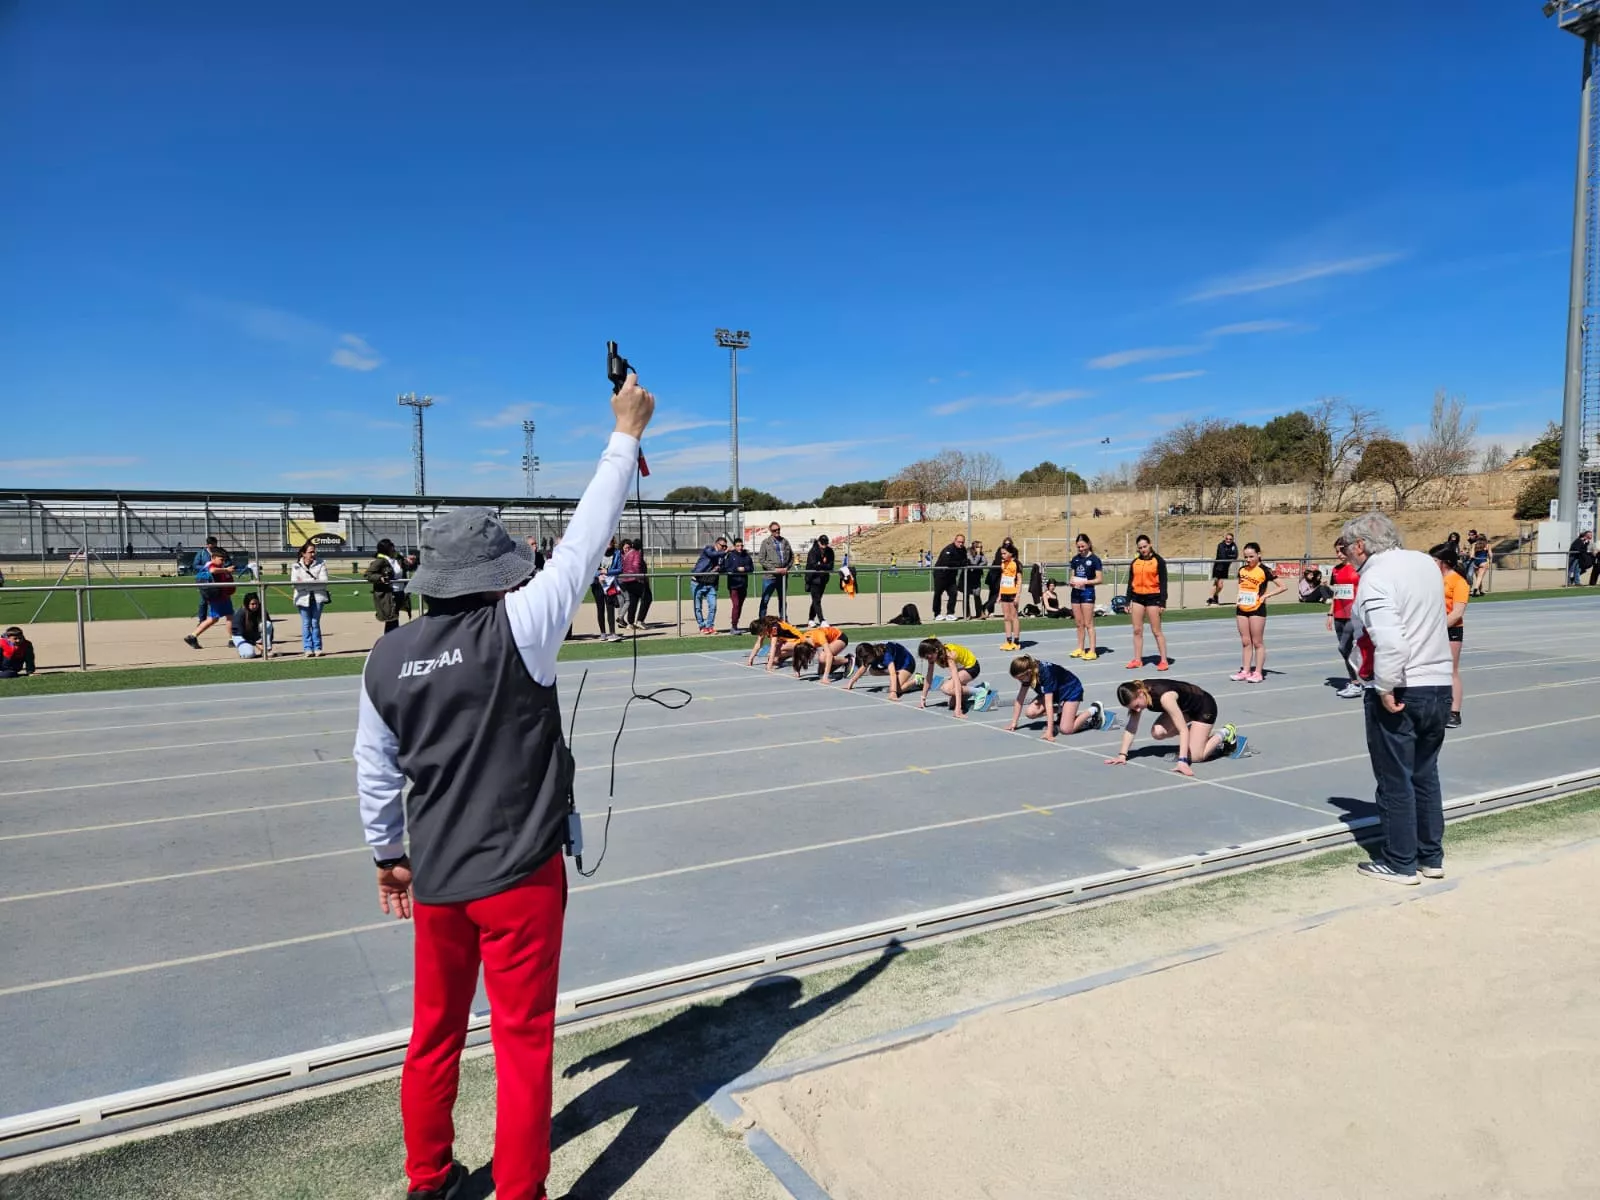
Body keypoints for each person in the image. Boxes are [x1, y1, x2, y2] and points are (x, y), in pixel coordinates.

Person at [354, 368, 654, 1200]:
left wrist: (388, 855)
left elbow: (373, 770)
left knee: (433, 1036)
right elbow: (589, 535)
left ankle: (428, 1179)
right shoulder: (522, 625)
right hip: (521, 877)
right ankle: (520, 1192)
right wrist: (625, 432)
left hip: (440, 877)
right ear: (494, 571)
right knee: (523, 1043)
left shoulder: (384, 656)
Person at [1342, 511, 1452, 885]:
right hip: (1438, 681)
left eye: (1346, 548)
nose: (1347, 557)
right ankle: (1430, 856)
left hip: (1404, 685)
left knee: (1395, 778)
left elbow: (1391, 639)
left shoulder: (1375, 577)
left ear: (1360, 546)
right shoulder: (1424, 563)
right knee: (1426, 773)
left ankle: (1400, 861)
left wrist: (1385, 685)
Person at [1105, 679, 1242, 776]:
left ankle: (1226, 732)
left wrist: (1182, 761)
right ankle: (1196, 735)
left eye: (1137, 706)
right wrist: (1122, 755)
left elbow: (1182, 729)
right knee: (1157, 732)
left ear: (1141, 692)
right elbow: (1131, 727)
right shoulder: (1138, 695)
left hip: (1203, 707)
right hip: (1184, 710)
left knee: (1196, 757)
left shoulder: (1165, 698)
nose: (1138, 710)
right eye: (1133, 708)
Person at [1005, 654, 1113, 741]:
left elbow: (1048, 704)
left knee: (1066, 729)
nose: (1019, 681)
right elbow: (1020, 698)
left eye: (1020, 678)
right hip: (1056, 692)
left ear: (1028, 672)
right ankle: (1063, 710)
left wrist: (1049, 731)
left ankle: (1094, 709)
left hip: (1071, 690)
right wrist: (1014, 722)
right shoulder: (1029, 674)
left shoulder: (1045, 674)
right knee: (1030, 712)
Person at [1231, 542, 1285, 684]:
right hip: (1242, 608)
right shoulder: (1242, 570)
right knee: (1245, 641)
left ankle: (1258, 672)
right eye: (1246, 557)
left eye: (1251, 556)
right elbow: (1242, 586)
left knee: (1257, 642)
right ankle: (1245, 670)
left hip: (1257, 609)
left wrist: (1266, 596)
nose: (1248, 560)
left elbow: (1282, 586)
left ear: (1259, 555)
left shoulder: (1265, 570)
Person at [1432, 543, 1469, 729]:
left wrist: (1438, 628)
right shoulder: (1432, 579)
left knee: (1451, 670)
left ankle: (1454, 712)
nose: (1431, 563)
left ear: (1444, 562)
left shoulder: (1459, 582)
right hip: (1432, 629)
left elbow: (1457, 612)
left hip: (1450, 630)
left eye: (1434, 560)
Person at [1123, 534, 1170, 671]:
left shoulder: (1158, 561)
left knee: (1156, 630)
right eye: (1140, 548)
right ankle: (1137, 660)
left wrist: (1162, 602)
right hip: (1137, 598)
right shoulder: (1135, 562)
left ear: (1150, 545)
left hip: (1153, 598)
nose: (1143, 549)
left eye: (1144, 546)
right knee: (1137, 630)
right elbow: (1130, 583)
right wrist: (1127, 601)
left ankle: (1163, 660)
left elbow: (1164, 583)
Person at [917, 636, 993, 716]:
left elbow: (956, 681)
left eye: (928, 657)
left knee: (946, 688)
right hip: (961, 669)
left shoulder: (949, 655)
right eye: (925, 658)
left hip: (972, 667)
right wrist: (923, 698)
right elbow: (929, 676)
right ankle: (978, 688)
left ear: (936, 650)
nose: (928, 660)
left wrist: (958, 708)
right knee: (951, 704)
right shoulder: (933, 655)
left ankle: (980, 692)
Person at [1327, 537, 1363, 699]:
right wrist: (1330, 613)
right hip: (1339, 614)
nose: (1339, 554)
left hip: (1354, 614)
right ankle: (1355, 681)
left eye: (1342, 550)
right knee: (1346, 650)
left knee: (1344, 647)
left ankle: (1360, 679)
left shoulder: (1359, 569)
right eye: (1336, 551)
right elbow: (1336, 593)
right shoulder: (1336, 570)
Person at [183, 548, 235, 649]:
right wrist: (226, 570)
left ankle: (192, 636)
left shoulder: (216, 565)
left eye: (224, 560)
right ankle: (232, 639)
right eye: (221, 559)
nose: (223, 562)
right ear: (213, 558)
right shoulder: (212, 565)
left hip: (218, 596)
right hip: (219, 597)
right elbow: (213, 570)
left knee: (214, 619)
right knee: (228, 616)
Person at [291, 539, 332, 657]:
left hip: (318, 597)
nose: (313, 554)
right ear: (303, 553)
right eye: (310, 552)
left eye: (314, 552)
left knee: (315, 623)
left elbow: (323, 582)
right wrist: (313, 582)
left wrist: (305, 583)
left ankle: (318, 648)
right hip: (302, 598)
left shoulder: (321, 564)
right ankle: (308, 648)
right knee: (306, 623)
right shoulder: (296, 566)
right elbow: (295, 584)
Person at [1067, 534, 1103, 659]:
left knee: (1088, 623)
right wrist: (1071, 582)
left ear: (1088, 544)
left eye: (1083, 546)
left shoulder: (1094, 559)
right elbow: (1073, 576)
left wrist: (1085, 582)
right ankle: (1080, 648)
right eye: (1078, 547)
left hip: (1087, 592)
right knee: (1078, 623)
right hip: (1076, 593)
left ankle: (1092, 650)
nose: (1081, 549)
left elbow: (1099, 579)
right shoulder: (1075, 559)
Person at [845, 640, 921, 698]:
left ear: (871, 653)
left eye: (865, 658)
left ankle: (918, 680)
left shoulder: (886, 655)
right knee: (872, 671)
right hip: (896, 665)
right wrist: (851, 682)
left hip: (906, 663)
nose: (865, 661)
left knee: (897, 689)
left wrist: (893, 692)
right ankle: (898, 675)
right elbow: (863, 669)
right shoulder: (870, 656)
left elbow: (892, 674)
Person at [366, 538, 407, 635]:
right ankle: (390, 642)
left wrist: (411, 562)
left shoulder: (397, 559)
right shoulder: (380, 561)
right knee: (391, 619)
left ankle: (391, 641)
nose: (393, 548)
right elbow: (368, 574)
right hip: (389, 594)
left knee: (393, 619)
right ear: (386, 549)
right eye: (391, 547)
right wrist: (380, 578)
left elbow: (406, 568)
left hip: (399, 592)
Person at [758, 522, 795, 621]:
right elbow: (761, 559)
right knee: (765, 599)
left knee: (782, 599)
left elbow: (792, 557)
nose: (777, 531)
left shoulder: (785, 541)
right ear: (770, 531)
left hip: (782, 576)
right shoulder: (766, 542)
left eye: (778, 529)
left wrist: (787, 568)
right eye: (774, 530)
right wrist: (774, 570)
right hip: (770, 577)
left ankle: (783, 621)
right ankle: (762, 622)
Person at [691, 536, 727, 636]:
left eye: (725, 546)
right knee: (698, 607)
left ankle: (709, 626)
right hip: (697, 582)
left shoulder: (722, 555)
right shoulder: (708, 549)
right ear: (716, 544)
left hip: (710, 584)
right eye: (722, 546)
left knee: (713, 606)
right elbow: (712, 555)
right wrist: (726, 552)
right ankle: (702, 626)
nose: (724, 548)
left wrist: (719, 568)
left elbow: (723, 567)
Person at [590, 537, 621, 642]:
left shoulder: (617, 553)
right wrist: (598, 574)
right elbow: (590, 567)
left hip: (610, 583)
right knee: (600, 608)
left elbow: (619, 569)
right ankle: (603, 633)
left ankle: (612, 633)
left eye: (610, 541)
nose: (608, 543)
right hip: (597, 584)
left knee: (610, 608)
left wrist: (607, 571)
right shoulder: (596, 552)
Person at [931, 534, 968, 622]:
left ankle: (950, 613)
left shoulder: (963, 550)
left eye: (962, 542)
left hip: (951, 576)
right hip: (941, 574)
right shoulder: (948, 549)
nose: (961, 544)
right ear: (955, 541)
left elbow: (965, 560)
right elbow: (947, 562)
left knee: (954, 593)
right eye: (959, 542)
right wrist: (959, 563)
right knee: (938, 594)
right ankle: (937, 614)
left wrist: (961, 563)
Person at [994, 544, 1023, 651]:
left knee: (1014, 616)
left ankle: (1016, 641)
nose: (1002, 555)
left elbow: (1019, 580)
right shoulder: (1003, 564)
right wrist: (999, 594)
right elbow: (1003, 578)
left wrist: (1017, 596)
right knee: (1006, 617)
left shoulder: (1016, 564)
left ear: (1011, 553)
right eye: (1001, 553)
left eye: (1004, 553)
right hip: (1004, 592)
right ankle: (1008, 641)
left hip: (1013, 593)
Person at [803, 534, 835, 628]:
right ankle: (822, 620)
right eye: (822, 543)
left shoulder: (829, 551)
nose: (824, 545)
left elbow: (830, 565)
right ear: (818, 542)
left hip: (823, 578)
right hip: (813, 578)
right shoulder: (813, 551)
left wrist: (820, 565)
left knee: (816, 600)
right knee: (816, 599)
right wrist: (823, 565)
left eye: (826, 543)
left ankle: (810, 619)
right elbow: (813, 565)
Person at [229, 593, 274, 658]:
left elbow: (270, 629)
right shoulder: (240, 613)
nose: (255, 606)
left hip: (254, 635)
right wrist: (256, 644)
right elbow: (241, 633)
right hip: (240, 636)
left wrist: (268, 642)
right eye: (252, 604)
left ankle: (266, 650)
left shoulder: (262, 611)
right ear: (247, 604)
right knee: (249, 654)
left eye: (256, 604)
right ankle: (243, 650)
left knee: (267, 624)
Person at [723, 537, 753, 632]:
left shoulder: (746, 555)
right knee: (736, 605)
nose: (740, 547)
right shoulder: (731, 555)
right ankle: (733, 626)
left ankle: (735, 624)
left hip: (743, 585)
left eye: (741, 545)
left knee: (739, 606)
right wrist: (736, 569)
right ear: (734, 547)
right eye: (738, 546)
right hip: (733, 585)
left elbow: (751, 568)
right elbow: (727, 568)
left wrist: (745, 569)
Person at [617, 539, 646, 630]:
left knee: (627, 600)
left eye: (628, 547)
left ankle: (626, 621)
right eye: (625, 547)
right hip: (626, 580)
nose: (627, 549)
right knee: (631, 600)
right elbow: (636, 566)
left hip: (624, 580)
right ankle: (623, 619)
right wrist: (638, 578)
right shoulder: (632, 554)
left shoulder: (627, 554)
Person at [191, 536, 220, 624]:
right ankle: (202, 620)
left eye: (215, 545)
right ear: (207, 545)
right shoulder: (201, 553)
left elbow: (226, 562)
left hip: (217, 578)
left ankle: (214, 617)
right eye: (212, 545)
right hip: (204, 578)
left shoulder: (219, 552)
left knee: (217, 598)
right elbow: (195, 565)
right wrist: (206, 567)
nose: (214, 547)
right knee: (204, 600)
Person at [1207, 532, 1238, 605]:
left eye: (1230, 539)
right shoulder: (1221, 545)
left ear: (1232, 540)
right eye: (1227, 539)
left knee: (1220, 586)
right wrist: (1230, 555)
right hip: (1218, 567)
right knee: (1217, 583)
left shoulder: (1233, 545)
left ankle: (1215, 596)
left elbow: (1235, 555)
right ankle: (1211, 599)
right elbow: (1223, 556)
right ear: (1225, 539)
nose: (1228, 540)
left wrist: (1229, 555)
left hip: (1225, 567)